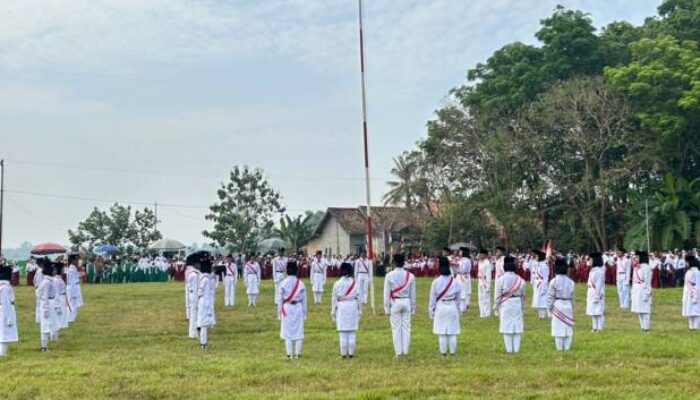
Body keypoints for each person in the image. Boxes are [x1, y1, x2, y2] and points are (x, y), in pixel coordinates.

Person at [383, 253, 416, 358]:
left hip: (395, 302)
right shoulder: (410, 276)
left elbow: (386, 293)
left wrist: (386, 308)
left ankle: (398, 352)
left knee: (396, 328)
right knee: (406, 328)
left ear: (394, 263)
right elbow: (412, 294)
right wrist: (413, 307)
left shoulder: (389, 275)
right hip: (406, 302)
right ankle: (405, 351)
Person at [428, 256, 461, 356]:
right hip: (452, 305)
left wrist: (431, 311)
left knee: (441, 331)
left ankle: (443, 353)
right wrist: (458, 309)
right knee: (452, 331)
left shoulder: (436, 282)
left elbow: (432, 299)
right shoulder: (455, 282)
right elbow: (458, 298)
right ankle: (452, 352)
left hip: (440, 306)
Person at [494, 256, 526, 354]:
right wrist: (522, 307)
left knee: (506, 327)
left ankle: (509, 350)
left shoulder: (501, 279)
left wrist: (496, 307)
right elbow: (523, 296)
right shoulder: (521, 280)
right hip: (517, 302)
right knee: (517, 327)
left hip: (506, 303)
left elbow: (497, 295)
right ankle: (516, 350)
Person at [331, 262, 362, 359]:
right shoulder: (355, 283)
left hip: (341, 306)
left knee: (342, 332)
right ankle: (351, 354)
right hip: (353, 305)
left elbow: (334, 298)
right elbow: (359, 298)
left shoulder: (337, 283)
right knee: (352, 332)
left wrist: (333, 311)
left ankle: (343, 354)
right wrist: (360, 310)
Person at [278, 261, 307, 359]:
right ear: (296, 270)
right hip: (298, 306)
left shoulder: (283, 283)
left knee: (287, 331)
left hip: (287, 307)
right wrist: (305, 313)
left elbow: (280, 300)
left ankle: (289, 354)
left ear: (287, 270)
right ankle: (298, 354)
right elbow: (304, 300)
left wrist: (279, 312)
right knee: (299, 330)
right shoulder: (301, 283)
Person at [547, 258, 575, 351]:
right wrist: (572, 306)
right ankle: (567, 348)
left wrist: (549, 308)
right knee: (568, 326)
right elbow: (572, 297)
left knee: (558, 327)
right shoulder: (571, 282)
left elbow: (550, 297)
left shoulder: (553, 281)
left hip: (558, 304)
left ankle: (559, 349)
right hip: (568, 304)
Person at [196, 254, 216, 350]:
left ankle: (202, 340)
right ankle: (203, 343)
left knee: (201, 321)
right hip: (205, 301)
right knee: (204, 324)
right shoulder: (207, 280)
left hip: (200, 300)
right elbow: (208, 295)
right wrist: (210, 308)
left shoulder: (201, 277)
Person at [631, 251, 653, 332]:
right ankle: (642, 327)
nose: (635, 258)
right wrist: (632, 291)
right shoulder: (636, 267)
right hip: (636, 288)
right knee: (639, 309)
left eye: (637, 257)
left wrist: (646, 293)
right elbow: (633, 280)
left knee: (645, 309)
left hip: (643, 288)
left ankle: (647, 327)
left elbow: (647, 282)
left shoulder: (647, 268)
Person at [37, 261, 56, 351]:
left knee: (48, 324)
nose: (54, 271)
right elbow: (45, 296)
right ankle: (44, 346)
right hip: (48, 304)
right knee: (45, 325)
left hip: (50, 303)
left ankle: (45, 345)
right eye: (53, 269)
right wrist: (45, 309)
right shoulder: (46, 282)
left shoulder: (48, 280)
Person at [0, 264, 18, 357]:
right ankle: (2, 354)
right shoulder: (5, 287)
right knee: (4, 333)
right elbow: (6, 303)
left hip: (3, 309)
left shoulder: (4, 286)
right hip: (5, 311)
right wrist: (9, 318)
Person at [586, 252, 606, 332]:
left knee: (598, 311)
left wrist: (597, 296)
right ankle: (595, 327)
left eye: (590, 260)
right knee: (593, 311)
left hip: (597, 292)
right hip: (591, 291)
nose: (589, 261)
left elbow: (599, 285)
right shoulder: (592, 271)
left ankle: (600, 328)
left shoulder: (599, 272)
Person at [185, 254, 200, 339]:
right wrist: (197, 299)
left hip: (192, 295)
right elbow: (195, 288)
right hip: (194, 295)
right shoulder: (194, 275)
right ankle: (193, 334)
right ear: (195, 264)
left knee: (194, 315)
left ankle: (193, 333)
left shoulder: (192, 273)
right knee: (194, 315)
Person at [682, 255, 699, 330]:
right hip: (688, 293)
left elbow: (698, 285)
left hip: (695, 293)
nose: (685, 264)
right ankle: (691, 327)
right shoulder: (688, 272)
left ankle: (695, 327)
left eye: (686, 262)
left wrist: (695, 295)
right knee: (689, 310)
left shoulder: (697, 272)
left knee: (696, 311)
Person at [531, 250, 549, 319]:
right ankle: (540, 314)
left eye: (538, 256)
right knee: (538, 299)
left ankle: (543, 314)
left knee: (543, 300)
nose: (536, 257)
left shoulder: (544, 266)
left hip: (542, 284)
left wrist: (544, 288)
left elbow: (545, 278)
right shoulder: (539, 265)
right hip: (538, 283)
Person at [477, 249, 493, 318]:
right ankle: (482, 313)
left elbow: (489, 276)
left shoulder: (487, 263)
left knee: (486, 298)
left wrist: (488, 286)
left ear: (485, 255)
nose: (480, 255)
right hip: (480, 281)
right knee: (480, 298)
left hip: (485, 282)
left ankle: (487, 314)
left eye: (481, 254)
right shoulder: (480, 262)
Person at [66, 254, 81, 323]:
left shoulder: (73, 268)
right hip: (72, 287)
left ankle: (72, 318)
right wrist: (73, 292)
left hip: (75, 286)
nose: (77, 261)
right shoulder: (71, 269)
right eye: (76, 260)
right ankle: (70, 319)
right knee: (72, 303)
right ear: (72, 260)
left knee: (74, 303)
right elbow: (71, 282)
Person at [457, 248, 472, 314]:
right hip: (459, 276)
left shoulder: (467, 260)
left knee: (463, 292)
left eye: (460, 251)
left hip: (464, 276)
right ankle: (459, 306)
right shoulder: (460, 259)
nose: (459, 252)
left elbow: (464, 269)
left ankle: (462, 308)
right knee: (458, 291)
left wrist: (457, 267)